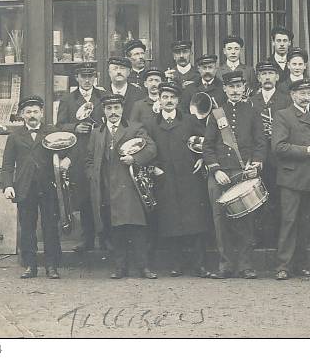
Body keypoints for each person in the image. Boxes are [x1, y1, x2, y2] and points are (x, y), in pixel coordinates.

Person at [202, 70, 268, 279]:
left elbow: (260, 143)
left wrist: (256, 163)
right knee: (220, 222)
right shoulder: (216, 114)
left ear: (244, 88)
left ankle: (246, 265)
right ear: (225, 88)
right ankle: (226, 265)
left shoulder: (252, 111)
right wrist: (216, 169)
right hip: (220, 174)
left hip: (243, 173)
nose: (235, 90)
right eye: (231, 87)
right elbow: (207, 146)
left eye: (239, 86)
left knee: (245, 221)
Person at [86, 94, 158, 279]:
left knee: (137, 228)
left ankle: (144, 267)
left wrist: (135, 159)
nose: (113, 112)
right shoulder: (98, 131)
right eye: (109, 109)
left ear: (122, 109)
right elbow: (89, 158)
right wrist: (93, 176)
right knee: (115, 229)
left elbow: (151, 149)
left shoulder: (134, 128)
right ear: (104, 110)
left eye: (116, 108)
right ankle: (120, 268)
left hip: (130, 187)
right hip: (107, 188)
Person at [145, 82, 212, 278]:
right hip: (164, 178)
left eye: (172, 97)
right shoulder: (151, 124)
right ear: (159, 99)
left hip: (189, 177)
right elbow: (146, 147)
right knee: (171, 221)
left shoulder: (189, 120)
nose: (168, 101)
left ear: (178, 100)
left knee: (196, 222)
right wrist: (153, 167)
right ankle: (176, 264)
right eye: (164, 97)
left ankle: (199, 265)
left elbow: (206, 141)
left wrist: (201, 157)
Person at [2, 96, 64, 279]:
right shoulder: (14, 137)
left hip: (48, 187)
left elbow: (67, 150)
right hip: (25, 188)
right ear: (22, 114)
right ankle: (30, 265)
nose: (32, 115)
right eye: (28, 112)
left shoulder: (52, 132)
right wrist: (7, 186)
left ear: (41, 113)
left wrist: (67, 160)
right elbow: (7, 165)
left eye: (35, 111)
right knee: (27, 228)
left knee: (50, 227)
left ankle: (51, 266)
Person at [272, 79, 310, 280]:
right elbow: (278, 147)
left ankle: (300, 265)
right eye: (301, 93)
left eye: (308, 93)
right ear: (292, 95)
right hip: (291, 178)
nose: (306, 97)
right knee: (289, 221)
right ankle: (283, 266)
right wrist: (305, 151)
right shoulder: (283, 116)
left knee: (305, 223)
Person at [55, 62, 107, 253]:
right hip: (79, 154)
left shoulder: (103, 97)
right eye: (83, 76)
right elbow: (59, 126)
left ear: (95, 77)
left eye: (90, 76)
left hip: (101, 151)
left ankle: (105, 238)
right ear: (76, 78)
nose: (87, 80)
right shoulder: (68, 100)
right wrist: (74, 128)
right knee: (85, 197)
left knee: (103, 195)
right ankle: (88, 238)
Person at [250, 61, 292, 248]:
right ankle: (260, 237)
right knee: (258, 197)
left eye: (271, 73)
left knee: (278, 197)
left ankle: (277, 239)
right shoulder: (251, 100)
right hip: (258, 156)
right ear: (258, 78)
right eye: (263, 74)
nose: (267, 77)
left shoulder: (286, 99)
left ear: (277, 77)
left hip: (279, 157)